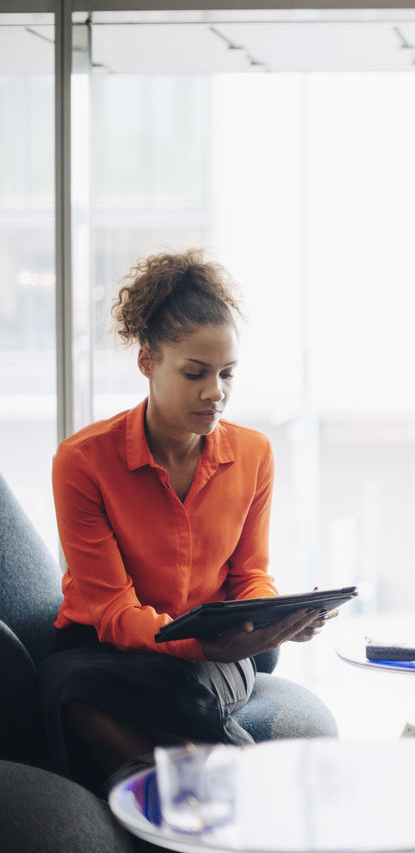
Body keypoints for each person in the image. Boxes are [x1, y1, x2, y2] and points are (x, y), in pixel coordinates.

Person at [39, 250, 331, 793]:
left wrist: (276, 615)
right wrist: (196, 646)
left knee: (161, 687)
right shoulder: (82, 461)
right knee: (71, 686)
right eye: (195, 373)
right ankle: (217, 780)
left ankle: (182, 788)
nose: (215, 391)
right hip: (108, 647)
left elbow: (250, 575)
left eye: (227, 374)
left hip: (209, 649)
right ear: (148, 362)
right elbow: (111, 609)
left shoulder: (254, 453)